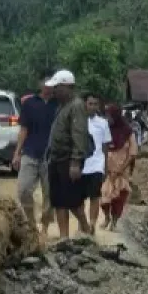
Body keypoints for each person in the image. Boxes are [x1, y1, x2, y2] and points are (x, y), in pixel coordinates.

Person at [45, 70, 91, 239]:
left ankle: (86, 228)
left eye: (57, 87)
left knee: (72, 201)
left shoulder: (76, 106)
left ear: (67, 87)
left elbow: (79, 134)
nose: (54, 91)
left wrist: (76, 162)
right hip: (56, 159)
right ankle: (64, 237)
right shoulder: (61, 107)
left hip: (68, 160)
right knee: (58, 201)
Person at [13, 69, 57, 234]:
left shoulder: (58, 105)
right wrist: (17, 153)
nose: (48, 85)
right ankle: (31, 223)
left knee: (50, 194)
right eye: (45, 82)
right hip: (30, 152)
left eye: (51, 82)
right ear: (39, 83)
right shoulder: (29, 103)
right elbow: (24, 129)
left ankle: (45, 226)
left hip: (51, 156)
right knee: (23, 190)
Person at [100, 104, 137, 231]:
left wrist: (121, 170)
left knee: (119, 198)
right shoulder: (106, 130)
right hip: (106, 170)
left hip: (121, 171)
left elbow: (132, 153)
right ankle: (106, 218)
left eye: (109, 115)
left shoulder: (128, 132)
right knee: (104, 197)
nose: (107, 118)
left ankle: (114, 222)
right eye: (106, 115)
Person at [81, 93, 111, 235]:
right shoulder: (78, 122)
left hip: (97, 165)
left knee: (95, 197)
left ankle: (92, 224)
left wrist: (105, 167)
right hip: (81, 166)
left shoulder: (103, 123)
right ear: (85, 104)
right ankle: (82, 224)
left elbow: (105, 147)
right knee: (79, 198)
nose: (93, 107)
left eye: (95, 104)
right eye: (90, 103)